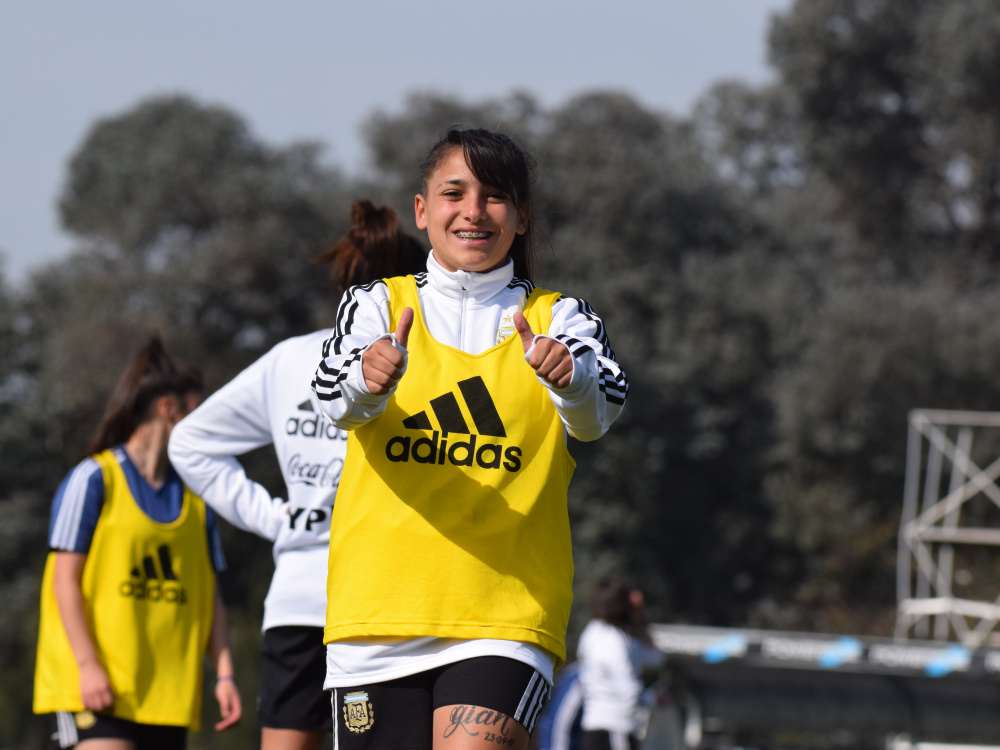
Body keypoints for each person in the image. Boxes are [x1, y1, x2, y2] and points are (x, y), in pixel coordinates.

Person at [310, 127, 629, 750]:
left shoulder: (562, 317)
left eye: (495, 196)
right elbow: (333, 403)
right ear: (422, 209)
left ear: (522, 216)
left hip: (506, 619)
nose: (474, 211)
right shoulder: (375, 305)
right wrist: (368, 379)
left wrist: (570, 378)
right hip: (376, 617)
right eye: (454, 193)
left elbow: (596, 418)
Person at [168, 200, 427, 750]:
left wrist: (277, 520)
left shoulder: (291, 359)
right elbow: (190, 442)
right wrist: (274, 517)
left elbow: (190, 442)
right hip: (386, 605)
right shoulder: (425, 366)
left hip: (302, 603)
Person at [33, 338, 242, 750]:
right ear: (168, 409)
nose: (207, 426)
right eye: (198, 413)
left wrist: (224, 674)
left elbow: (209, 594)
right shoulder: (94, 479)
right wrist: (87, 665)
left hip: (166, 698)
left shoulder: (198, 497)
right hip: (96, 688)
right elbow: (63, 581)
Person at [576, 578, 666, 750]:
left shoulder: (592, 632)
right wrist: (654, 698)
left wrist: (639, 617)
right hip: (614, 730)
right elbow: (630, 693)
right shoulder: (613, 641)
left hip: (596, 728)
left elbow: (655, 658)